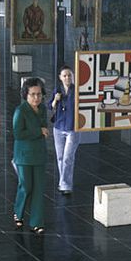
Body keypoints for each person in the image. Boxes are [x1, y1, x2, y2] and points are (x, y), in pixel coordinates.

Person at [13, 77, 49, 235]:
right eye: (33, 94)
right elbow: (18, 134)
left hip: (39, 154)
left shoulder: (43, 109)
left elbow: (44, 126)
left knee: (39, 189)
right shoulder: (20, 111)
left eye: (39, 94)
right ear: (25, 95)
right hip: (24, 155)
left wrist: (42, 130)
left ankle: (36, 222)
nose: (36, 98)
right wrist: (39, 132)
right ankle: (18, 212)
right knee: (26, 186)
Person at [51, 65, 79, 195]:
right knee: (60, 157)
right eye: (65, 75)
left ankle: (65, 185)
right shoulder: (58, 90)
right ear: (60, 78)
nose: (67, 77)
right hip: (58, 127)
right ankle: (64, 183)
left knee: (68, 157)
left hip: (73, 127)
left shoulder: (77, 90)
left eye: (69, 75)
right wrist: (55, 100)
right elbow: (50, 106)